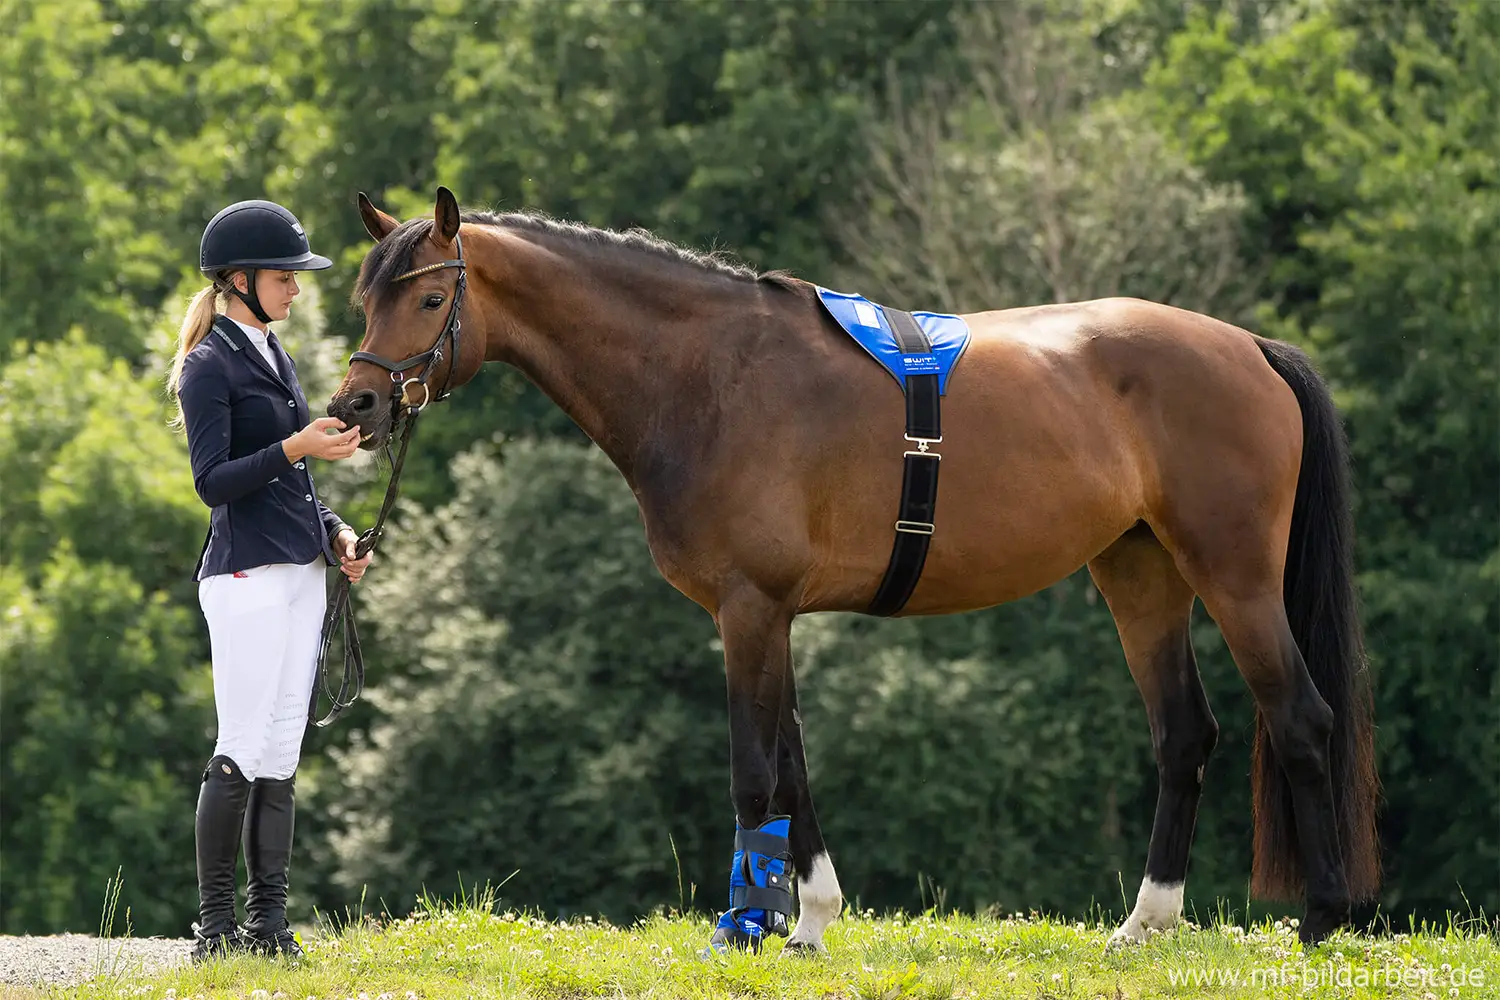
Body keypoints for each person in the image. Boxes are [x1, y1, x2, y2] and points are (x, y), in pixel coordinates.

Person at [165, 199, 372, 962]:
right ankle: (214, 931)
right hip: (245, 574)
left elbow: (296, 487)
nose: (296, 288)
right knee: (242, 744)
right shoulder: (208, 365)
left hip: (300, 570)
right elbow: (213, 482)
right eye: (285, 276)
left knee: (282, 750)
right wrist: (294, 445)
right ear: (241, 278)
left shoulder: (274, 356)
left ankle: (269, 926)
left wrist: (339, 533)